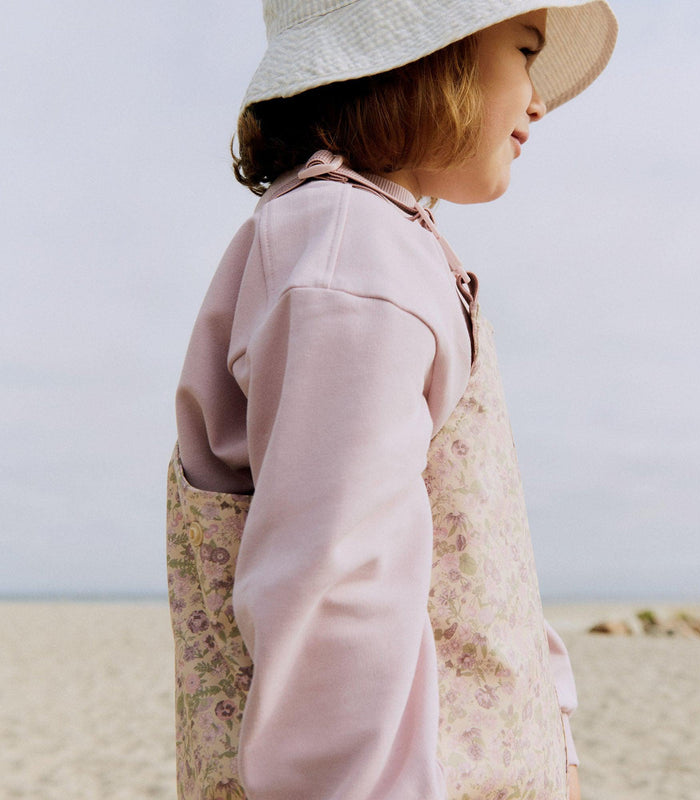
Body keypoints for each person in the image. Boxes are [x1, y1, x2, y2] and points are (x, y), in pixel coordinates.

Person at [166, 1, 617, 799]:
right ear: (428, 58)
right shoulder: (351, 250)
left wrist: (554, 726)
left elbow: (476, 545)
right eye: (523, 50)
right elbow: (336, 581)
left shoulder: (378, 239)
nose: (539, 98)